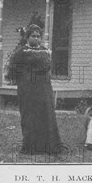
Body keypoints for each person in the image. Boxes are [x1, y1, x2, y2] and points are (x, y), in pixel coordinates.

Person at [10, 24, 62, 155]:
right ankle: (30, 146)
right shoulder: (21, 52)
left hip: (44, 89)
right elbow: (14, 70)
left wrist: (34, 70)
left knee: (46, 115)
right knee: (30, 116)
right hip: (28, 90)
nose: (36, 39)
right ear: (27, 37)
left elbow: (48, 66)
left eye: (39, 36)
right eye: (33, 36)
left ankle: (48, 146)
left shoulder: (45, 51)